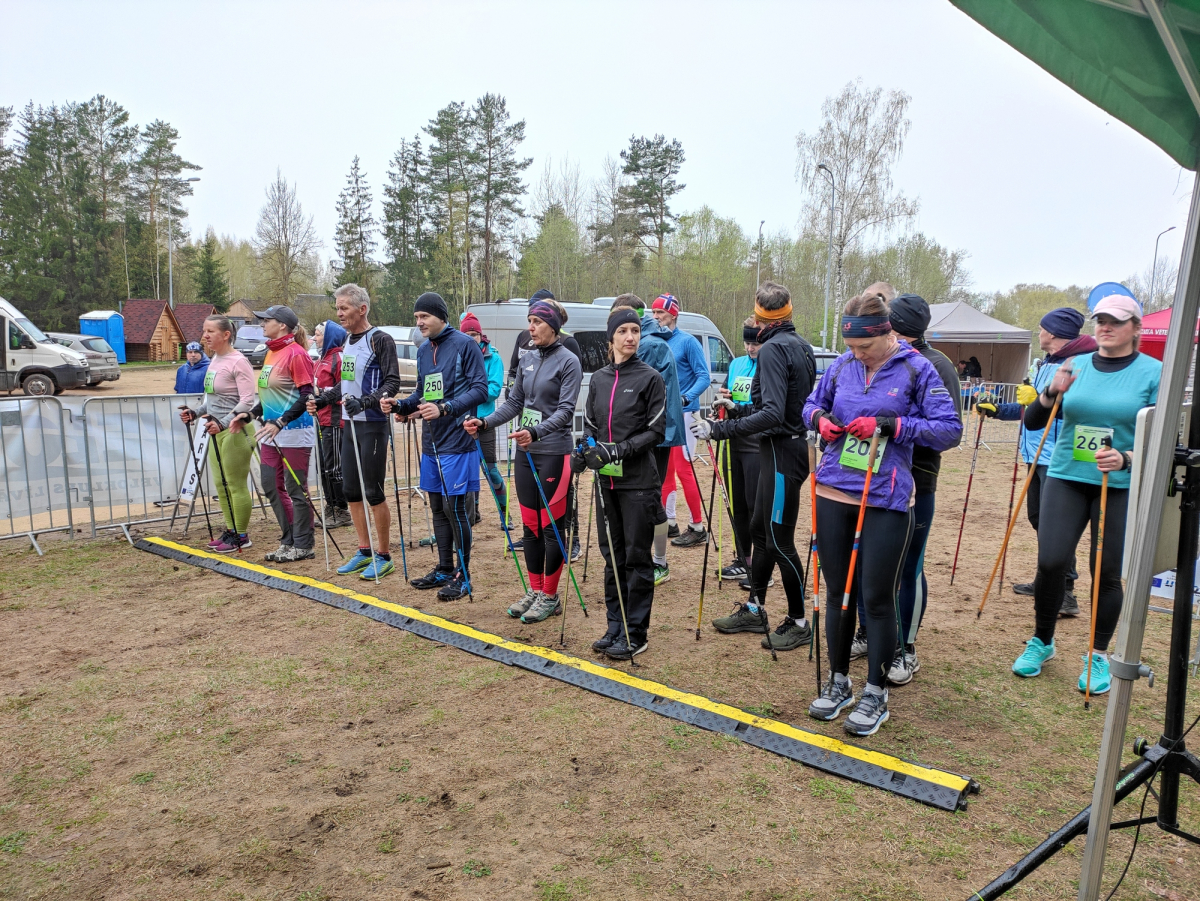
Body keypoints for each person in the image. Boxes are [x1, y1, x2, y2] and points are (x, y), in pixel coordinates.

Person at [802, 290, 962, 736]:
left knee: (875, 596)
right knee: (839, 592)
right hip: (836, 488)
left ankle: (876, 691)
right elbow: (810, 405)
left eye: (864, 348)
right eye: (851, 347)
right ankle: (838, 683)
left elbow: (949, 430)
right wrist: (821, 422)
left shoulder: (917, 367)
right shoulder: (842, 365)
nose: (857, 355)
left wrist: (890, 426)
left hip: (886, 497)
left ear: (886, 333)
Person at [1012, 294, 1160, 694]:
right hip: (1067, 475)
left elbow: (1165, 437)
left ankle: (1097, 655)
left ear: (1135, 328)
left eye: (1116, 321)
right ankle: (1042, 641)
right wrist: (1049, 392)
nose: (1106, 327)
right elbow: (1035, 420)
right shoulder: (1074, 365)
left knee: (1107, 572)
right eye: (1101, 320)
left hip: (1119, 483)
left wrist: (1127, 457)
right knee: (1051, 561)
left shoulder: (1153, 373)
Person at [696, 282, 817, 652]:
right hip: (779, 450)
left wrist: (721, 429)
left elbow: (776, 414)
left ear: (762, 316)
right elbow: (778, 408)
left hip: (783, 452)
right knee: (759, 532)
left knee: (779, 542)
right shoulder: (800, 345)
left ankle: (798, 622)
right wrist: (740, 410)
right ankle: (756, 607)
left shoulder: (774, 349)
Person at [466, 299, 582, 621]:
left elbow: (566, 411)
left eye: (536, 321)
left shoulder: (568, 361)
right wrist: (485, 423)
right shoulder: (527, 357)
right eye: (529, 321)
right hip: (525, 452)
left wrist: (537, 432)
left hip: (554, 452)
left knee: (550, 527)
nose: (530, 327)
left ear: (552, 326)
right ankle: (534, 589)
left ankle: (550, 595)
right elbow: (515, 401)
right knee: (530, 527)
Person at [977, 307, 1096, 615]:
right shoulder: (1048, 362)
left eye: (1042, 328)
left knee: (1057, 525)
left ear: (1053, 333)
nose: (1039, 332)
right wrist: (999, 409)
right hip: (1035, 454)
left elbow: (1079, 408)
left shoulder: (1079, 364)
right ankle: (1048, 579)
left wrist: (1050, 398)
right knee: (1039, 520)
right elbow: (1033, 411)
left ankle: (1066, 592)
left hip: (1059, 456)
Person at [574, 307, 667, 658]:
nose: (630, 337)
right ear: (611, 337)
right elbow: (592, 427)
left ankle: (635, 632)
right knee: (610, 556)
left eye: (635, 331)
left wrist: (616, 451)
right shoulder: (598, 378)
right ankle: (615, 627)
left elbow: (656, 432)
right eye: (623, 331)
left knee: (636, 558)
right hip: (606, 485)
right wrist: (585, 451)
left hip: (638, 483)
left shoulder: (650, 378)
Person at [383, 292, 488, 600]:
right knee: (437, 507)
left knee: (456, 509)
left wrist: (446, 409)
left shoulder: (465, 345)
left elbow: (481, 389)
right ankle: (444, 567)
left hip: (458, 441)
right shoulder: (423, 350)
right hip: (432, 443)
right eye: (416, 318)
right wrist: (401, 406)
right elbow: (421, 393)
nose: (419, 323)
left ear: (441, 316)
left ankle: (463, 574)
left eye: (424, 317)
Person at [879, 294, 961, 684]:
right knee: (874, 564)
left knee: (908, 566)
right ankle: (872, 632)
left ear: (896, 327)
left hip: (917, 479)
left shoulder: (938, 365)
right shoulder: (879, 356)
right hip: (875, 478)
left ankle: (905, 648)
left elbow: (949, 431)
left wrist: (898, 427)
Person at [307, 284, 401, 581]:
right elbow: (346, 385)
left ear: (362, 309)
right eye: (337, 308)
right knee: (350, 490)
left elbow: (392, 383)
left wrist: (366, 402)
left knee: (373, 491)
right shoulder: (347, 342)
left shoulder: (380, 340)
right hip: (349, 423)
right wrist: (325, 397)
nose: (339, 313)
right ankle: (364, 550)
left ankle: (383, 555)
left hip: (372, 423)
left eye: (344, 307)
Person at [609, 295, 683, 586]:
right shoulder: (646, 340)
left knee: (650, 500)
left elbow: (645, 397)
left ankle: (659, 562)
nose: (626, 334)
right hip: (641, 438)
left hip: (654, 438)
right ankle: (637, 557)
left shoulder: (651, 345)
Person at [238, 305, 317, 563]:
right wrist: (249, 414)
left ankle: (304, 544)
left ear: (282, 325)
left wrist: (282, 421)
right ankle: (289, 539)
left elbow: (307, 396)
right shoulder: (272, 353)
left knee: (296, 488)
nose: (261, 324)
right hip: (272, 432)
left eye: (266, 320)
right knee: (271, 484)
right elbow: (269, 395)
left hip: (294, 431)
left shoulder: (296, 354)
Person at [178, 315, 258, 553]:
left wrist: (223, 423)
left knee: (235, 484)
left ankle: (242, 535)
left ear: (226, 335)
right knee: (221, 485)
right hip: (216, 430)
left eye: (210, 331)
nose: (205, 336)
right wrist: (195, 413)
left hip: (235, 430)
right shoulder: (214, 359)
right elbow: (212, 401)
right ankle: (231, 530)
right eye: (204, 331)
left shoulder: (238, 361)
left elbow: (247, 400)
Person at [652, 293, 710, 549]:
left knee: (684, 469)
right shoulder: (655, 341)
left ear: (673, 314)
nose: (656, 318)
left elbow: (704, 376)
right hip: (665, 413)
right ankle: (670, 520)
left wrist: (686, 397)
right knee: (665, 471)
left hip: (686, 414)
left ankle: (697, 525)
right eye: (653, 314)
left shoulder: (687, 342)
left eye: (660, 314)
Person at [716, 317, 762, 584]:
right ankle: (742, 558)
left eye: (754, 342)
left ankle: (759, 562)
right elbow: (730, 393)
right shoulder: (737, 364)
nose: (750, 348)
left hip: (756, 443)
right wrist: (726, 395)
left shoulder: (768, 364)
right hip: (734, 439)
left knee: (755, 504)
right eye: (746, 342)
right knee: (737, 504)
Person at [461, 312, 507, 526]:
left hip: (484, 421)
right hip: (461, 421)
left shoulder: (493, 358)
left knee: (490, 471)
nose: (471, 338)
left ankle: (505, 513)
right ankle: (474, 513)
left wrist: (471, 393)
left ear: (480, 335)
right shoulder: (457, 355)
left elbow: (495, 389)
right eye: (466, 334)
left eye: (474, 334)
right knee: (468, 470)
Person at [312, 318, 351, 528]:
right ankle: (330, 505)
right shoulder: (320, 360)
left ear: (329, 337)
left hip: (335, 420)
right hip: (320, 419)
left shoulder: (339, 358)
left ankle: (342, 509)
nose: (314, 338)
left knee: (334, 467)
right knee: (323, 467)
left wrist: (321, 394)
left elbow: (344, 387)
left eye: (318, 334)